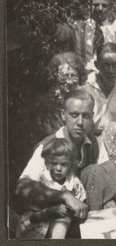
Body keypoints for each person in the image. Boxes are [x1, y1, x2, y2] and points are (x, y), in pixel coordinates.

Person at [16, 89, 98, 234]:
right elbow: (22, 186)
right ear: (63, 115)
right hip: (47, 221)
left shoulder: (95, 143)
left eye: (85, 116)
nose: (80, 122)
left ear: (92, 117)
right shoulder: (49, 146)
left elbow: (103, 178)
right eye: (74, 115)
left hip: (81, 218)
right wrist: (64, 196)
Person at [44, 0, 116, 79]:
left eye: (104, 5)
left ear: (109, 8)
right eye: (96, 5)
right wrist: (49, 24)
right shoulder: (79, 27)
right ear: (90, 6)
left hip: (110, 83)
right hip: (85, 81)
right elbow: (60, 33)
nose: (99, 9)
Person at [16, 138, 86, 239]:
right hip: (36, 225)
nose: (58, 168)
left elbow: (80, 204)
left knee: (64, 219)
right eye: (54, 163)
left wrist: (74, 210)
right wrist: (51, 211)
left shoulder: (74, 182)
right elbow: (31, 213)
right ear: (47, 163)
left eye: (63, 164)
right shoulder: (42, 181)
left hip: (60, 228)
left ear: (71, 164)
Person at [83, 42, 116, 133]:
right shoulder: (86, 86)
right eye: (105, 65)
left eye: (115, 65)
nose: (110, 70)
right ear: (96, 65)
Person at [33, 52, 87, 139]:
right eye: (64, 76)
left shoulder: (85, 100)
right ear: (55, 76)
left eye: (73, 76)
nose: (69, 81)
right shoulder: (47, 103)